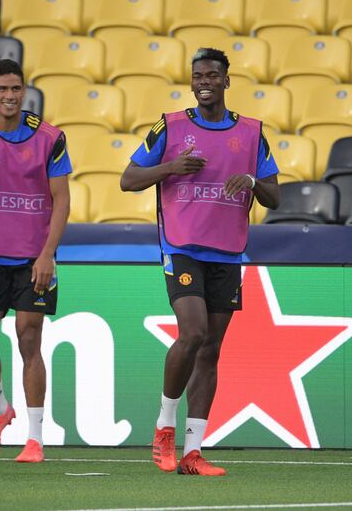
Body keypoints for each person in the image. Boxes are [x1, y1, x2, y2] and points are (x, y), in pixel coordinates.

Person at [120, 48, 280, 476]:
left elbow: (275, 196)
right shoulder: (170, 126)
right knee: (192, 334)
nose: (204, 81)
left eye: (212, 74)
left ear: (227, 80)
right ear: (191, 82)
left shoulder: (250, 132)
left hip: (227, 251)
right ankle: (163, 427)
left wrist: (250, 180)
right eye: (197, 76)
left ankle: (193, 453)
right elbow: (128, 179)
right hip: (182, 247)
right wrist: (171, 167)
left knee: (211, 349)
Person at [0, 59, 71, 463]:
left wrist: (47, 255)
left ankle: (35, 438)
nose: (9, 96)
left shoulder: (50, 137)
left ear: (25, 92)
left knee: (28, 337)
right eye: (2, 89)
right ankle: (0, 410)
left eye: (16, 89)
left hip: (33, 260)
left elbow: (62, 200)